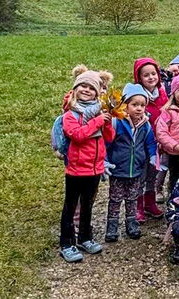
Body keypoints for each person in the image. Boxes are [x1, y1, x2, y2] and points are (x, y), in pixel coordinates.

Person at [58, 69, 115, 262]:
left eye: (92, 87)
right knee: (71, 206)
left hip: (95, 168)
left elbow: (109, 138)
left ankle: (84, 237)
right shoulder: (70, 115)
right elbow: (77, 136)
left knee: (88, 205)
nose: (87, 90)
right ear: (75, 89)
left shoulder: (100, 111)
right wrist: (98, 122)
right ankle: (67, 242)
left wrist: (106, 123)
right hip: (76, 169)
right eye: (83, 85)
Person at [104, 83, 156, 242]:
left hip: (136, 169)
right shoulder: (117, 123)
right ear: (125, 106)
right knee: (115, 198)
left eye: (142, 105)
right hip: (118, 169)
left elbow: (150, 143)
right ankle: (112, 225)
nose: (139, 109)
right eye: (134, 105)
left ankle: (131, 222)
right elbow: (106, 143)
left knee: (133, 198)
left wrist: (153, 156)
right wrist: (105, 161)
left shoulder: (145, 125)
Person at [132, 57, 168, 220]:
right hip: (140, 142)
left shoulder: (161, 93)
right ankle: (138, 205)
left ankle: (150, 202)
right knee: (140, 174)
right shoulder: (137, 96)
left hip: (158, 142)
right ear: (139, 78)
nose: (151, 77)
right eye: (146, 75)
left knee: (153, 173)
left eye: (154, 73)